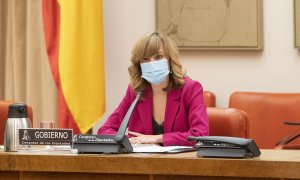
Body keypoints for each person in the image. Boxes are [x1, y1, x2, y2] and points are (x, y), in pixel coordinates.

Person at [98, 32, 208, 146]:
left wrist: (156, 138)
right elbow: (105, 130)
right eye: (145, 60)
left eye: (158, 57)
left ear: (170, 60)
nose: (152, 64)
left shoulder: (190, 89)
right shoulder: (136, 91)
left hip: (180, 162)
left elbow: (200, 135)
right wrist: (127, 141)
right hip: (141, 162)